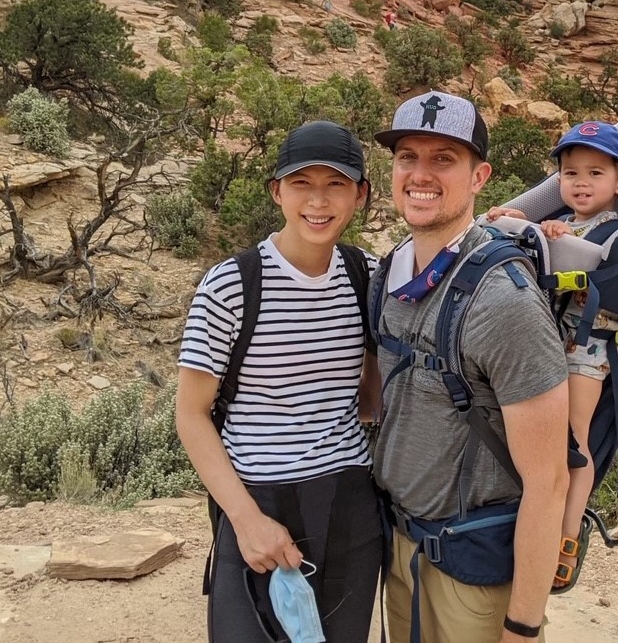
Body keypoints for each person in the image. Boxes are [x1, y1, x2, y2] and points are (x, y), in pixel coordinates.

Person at [372, 91, 570, 642]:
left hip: (473, 575)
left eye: (443, 159)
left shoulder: (504, 303)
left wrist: (522, 627)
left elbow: (548, 481)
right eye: (407, 156)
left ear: (479, 176)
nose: (420, 174)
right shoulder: (389, 272)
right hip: (402, 553)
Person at [176, 121, 383, 642]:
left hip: (350, 501)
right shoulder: (231, 286)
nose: (318, 201)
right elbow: (191, 414)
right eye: (301, 184)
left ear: (360, 194)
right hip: (258, 499)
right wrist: (246, 521)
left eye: (336, 184)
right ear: (276, 192)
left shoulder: (370, 277)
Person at [487, 121, 618, 592]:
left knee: (575, 440)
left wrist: (543, 234)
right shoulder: (565, 220)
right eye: (571, 174)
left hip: (589, 346)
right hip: (557, 339)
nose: (581, 184)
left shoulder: (611, 226)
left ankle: (567, 537)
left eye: (594, 174)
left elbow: (583, 257)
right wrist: (517, 219)